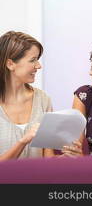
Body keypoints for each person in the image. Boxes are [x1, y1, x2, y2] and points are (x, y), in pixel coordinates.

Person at [0, 30, 57, 160]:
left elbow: (48, 159)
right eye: (33, 60)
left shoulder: (43, 99)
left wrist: (69, 157)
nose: (39, 65)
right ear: (10, 64)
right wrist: (22, 142)